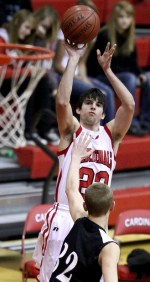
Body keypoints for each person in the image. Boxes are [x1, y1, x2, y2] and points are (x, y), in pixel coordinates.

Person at [33, 41, 134, 282]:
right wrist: (74, 59)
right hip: (67, 214)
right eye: (88, 102)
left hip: (95, 220)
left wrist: (107, 71)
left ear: (103, 113)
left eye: (99, 105)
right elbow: (61, 102)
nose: (93, 107)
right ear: (79, 109)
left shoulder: (112, 136)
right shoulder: (71, 132)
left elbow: (129, 105)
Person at [50, 132, 120, 282]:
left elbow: (70, 189)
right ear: (112, 206)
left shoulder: (79, 220)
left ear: (85, 205)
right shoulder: (109, 247)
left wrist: (76, 157)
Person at [87, 0, 150, 136]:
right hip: (102, 75)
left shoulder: (128, 36)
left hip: (119, 75)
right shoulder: (105, 35)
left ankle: (146, 121)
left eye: (128, 17)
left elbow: (133, 62)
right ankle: (131, 123)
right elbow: (103, 65)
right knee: (130, 78)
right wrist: (132, 74)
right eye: (121, 17)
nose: (124, 21)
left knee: (145, 77)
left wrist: (140, 73)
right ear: (115, 18)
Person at [53, 0, 115, 124]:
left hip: (78, 76)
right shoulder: (66, 30)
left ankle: (108, 134)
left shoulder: (91, 32)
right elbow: (57, 64)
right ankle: (95, 134)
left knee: (108, 92)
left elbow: (82, 64)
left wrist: (85, 78)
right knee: (98, 95)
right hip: (64, 74)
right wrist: (76, 78)